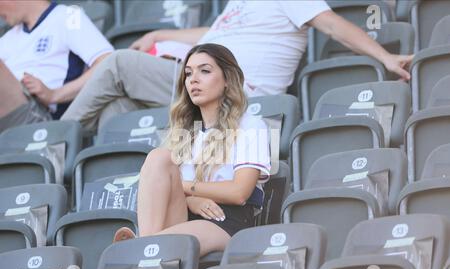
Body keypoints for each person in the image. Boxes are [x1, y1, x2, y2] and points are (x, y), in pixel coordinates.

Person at [61, 0, 413, 131]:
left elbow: (334, 25)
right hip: (203, 80)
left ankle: (59, 139)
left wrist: (384, 56)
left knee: (120, 63)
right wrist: (159, 32)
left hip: (238, 90)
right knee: (118, 109)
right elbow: (214, 33)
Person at [114, 43, 271, 256]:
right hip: (185, 214)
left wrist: (185, 186)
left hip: (227, 221)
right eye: (188, 74)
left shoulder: (252, 125)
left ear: (227, 79)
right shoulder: (183, 133)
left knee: (150, 249)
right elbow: (166, 192)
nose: (193, 79)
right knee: (158, 157)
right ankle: (144, 245)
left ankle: (138, 248)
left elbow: (239, 193)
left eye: (204, 71)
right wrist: (191, 200)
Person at [0, 0, 113, 132]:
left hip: (41, 118)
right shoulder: (8, 37)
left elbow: (108, 61)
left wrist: (55, 95)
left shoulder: (68, 16)